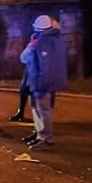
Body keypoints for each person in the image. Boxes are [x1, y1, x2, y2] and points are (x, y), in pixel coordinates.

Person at [20, 14, 68, 150]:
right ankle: (41, 135)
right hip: (51, 82)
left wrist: (31, 46)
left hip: (41, 82)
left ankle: (45, 138)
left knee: (42, 110)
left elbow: (24, 58)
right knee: (43, 110)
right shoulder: (58, 40)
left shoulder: (40, 43)